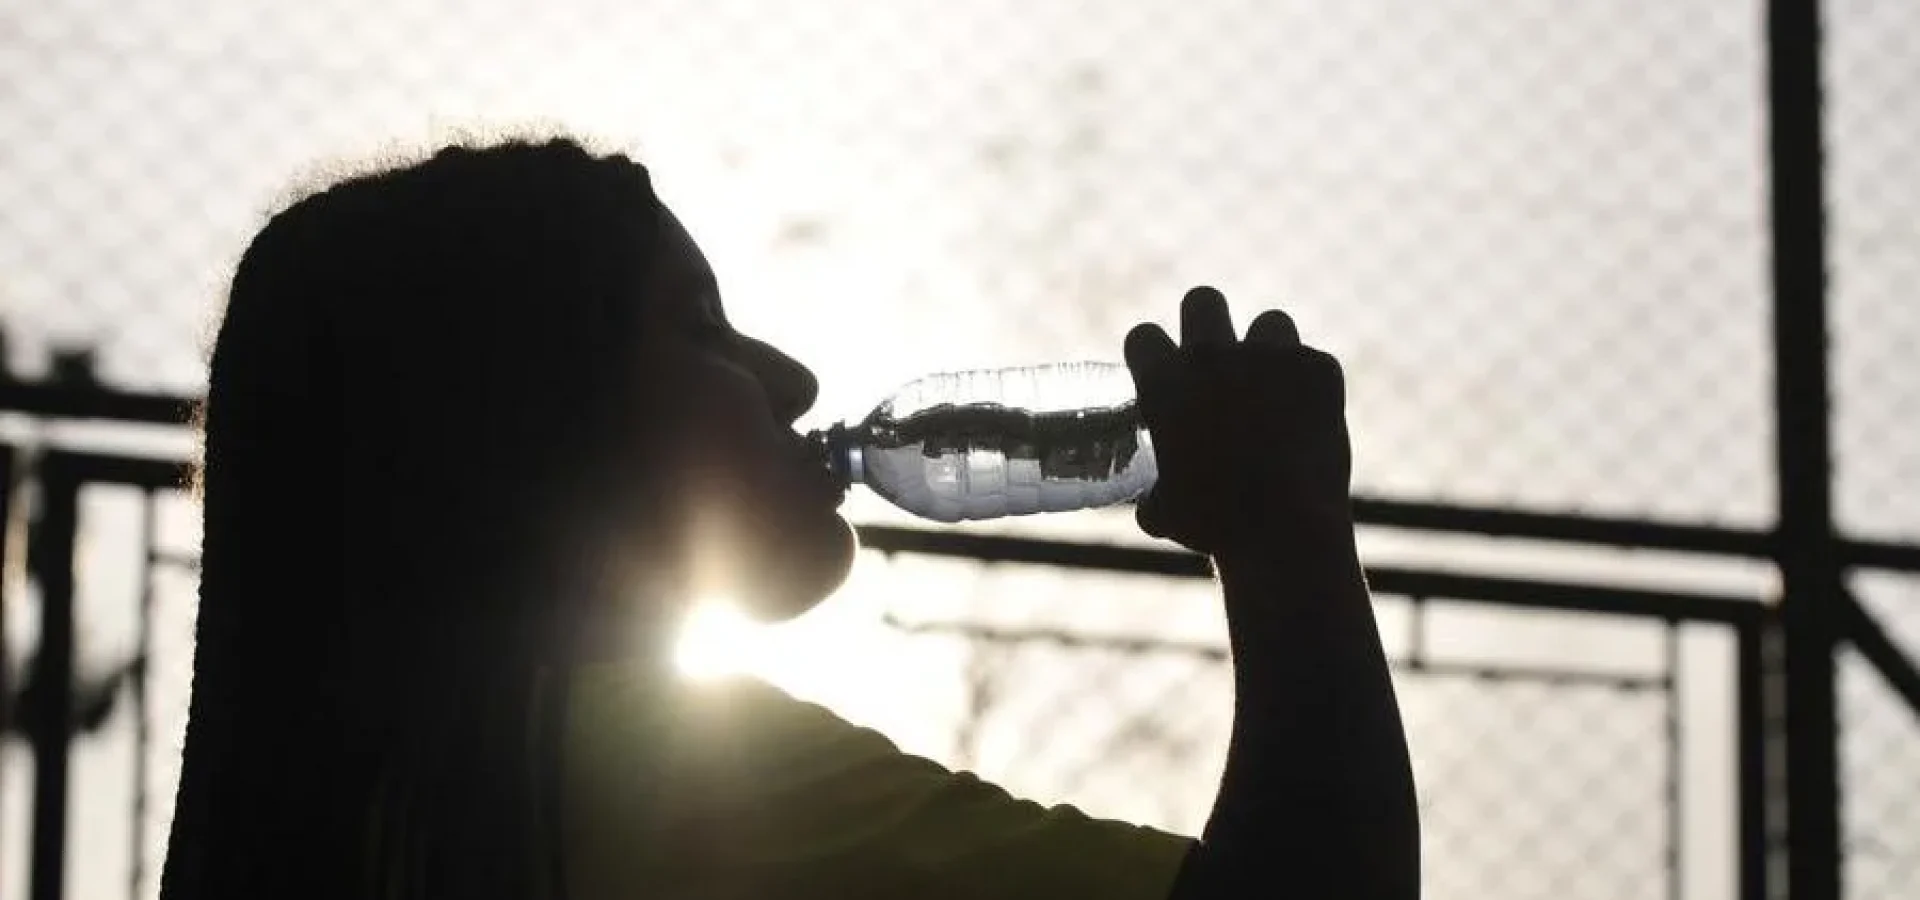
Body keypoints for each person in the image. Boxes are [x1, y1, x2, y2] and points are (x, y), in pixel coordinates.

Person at [159, 138, 1419, 900]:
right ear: (528, 408)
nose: (795, 382)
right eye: (699, 327)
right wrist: (1284, 529)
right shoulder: (640, 777)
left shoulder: (365, 821)